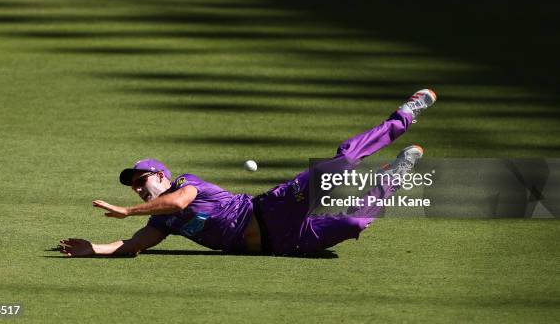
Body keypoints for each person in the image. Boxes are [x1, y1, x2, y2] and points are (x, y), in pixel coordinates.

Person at [59, 89, 437, 257]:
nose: (140, 189)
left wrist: (126, 211)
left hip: (270, 209)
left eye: (143, 181)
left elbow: (176, 202)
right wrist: (95, 249)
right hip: (287, 243)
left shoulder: (185, 185)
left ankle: (402, 118)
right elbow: (133, 245)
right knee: (354, 222)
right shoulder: (166, 224)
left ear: (162, 175)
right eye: (135, 188)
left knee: (337, 167)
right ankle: (395, 175)